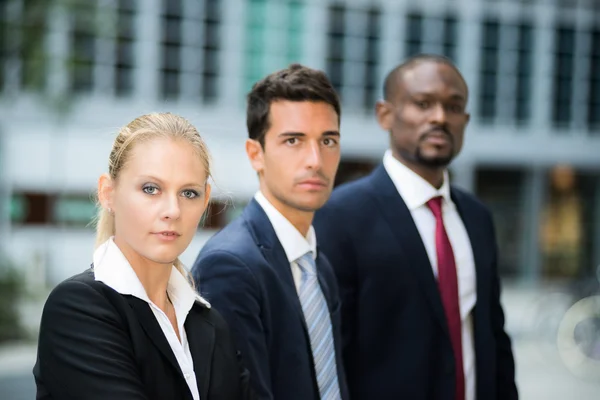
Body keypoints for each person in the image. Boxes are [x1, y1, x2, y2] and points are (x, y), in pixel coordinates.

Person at [314, 54, 518, 400]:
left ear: (465, 120)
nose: (440, 117)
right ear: (385, 114)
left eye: (454, 107)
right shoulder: (340, 216)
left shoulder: (477, 218)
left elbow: (492, 336)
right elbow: (331, 353)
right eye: (422, 104)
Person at [33, 113, 252, 400]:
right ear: (107, 193)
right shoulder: (77, 308)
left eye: (188, 193)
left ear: (205, 200)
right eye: (151, 189)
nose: (173, 210)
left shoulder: (210, 323)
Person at [191, 64, 348, 400]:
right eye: (294, 140)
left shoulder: (319, 266)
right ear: (255, 154)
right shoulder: (229, 265)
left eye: (328, 140)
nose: (315, 160)